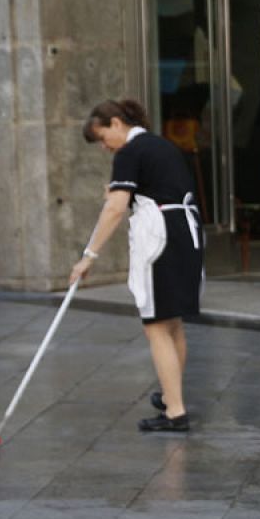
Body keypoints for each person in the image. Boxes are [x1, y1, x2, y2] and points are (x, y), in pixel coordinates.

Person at [70, 99, 204, 432]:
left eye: (103, 138)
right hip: (186, 235)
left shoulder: (129, 152)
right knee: (172, 323)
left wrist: (89, 255)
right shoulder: (160, 146)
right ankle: (172, 396)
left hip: (160, 239)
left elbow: (115, 209)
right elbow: (150, 190)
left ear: (116, 123)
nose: (104, 147)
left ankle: (175, 410)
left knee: (156, 325)